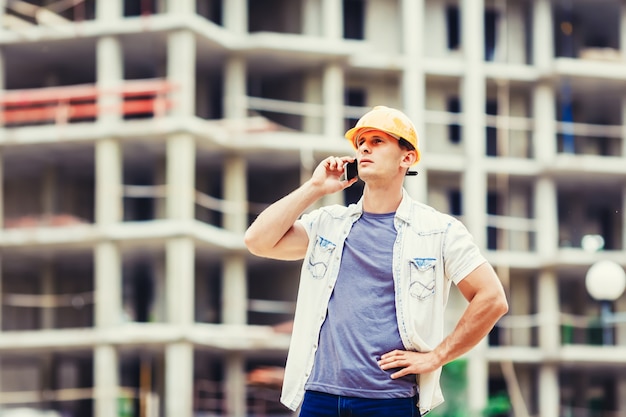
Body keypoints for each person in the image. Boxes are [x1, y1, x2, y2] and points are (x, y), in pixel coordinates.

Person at [244, 105, 509, 416]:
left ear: (406, 158)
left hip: (390, 400)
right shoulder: (329, 223)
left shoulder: (439, 230)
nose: (365, 147)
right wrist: (315, 188)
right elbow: (257, 241)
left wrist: (436, 356)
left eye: (378, 141)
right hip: (320, 396)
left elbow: (492, 299)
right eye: (361, 143)